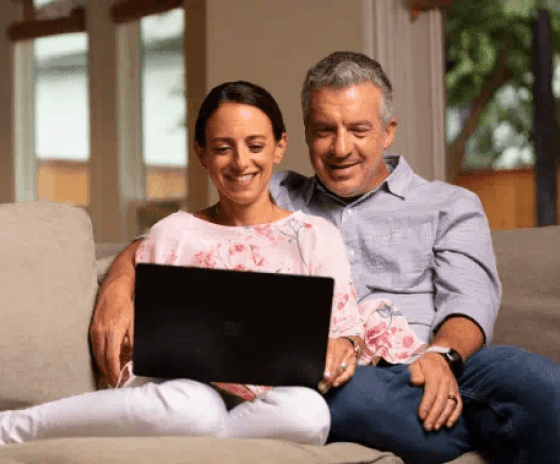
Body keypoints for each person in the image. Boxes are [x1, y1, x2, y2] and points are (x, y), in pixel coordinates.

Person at [90, 53, 560, 463]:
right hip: (340, 372)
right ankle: (471, 433)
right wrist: (117, 286)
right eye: (324, 131)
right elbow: (177, 235)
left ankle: (443, 427)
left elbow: (470, 301)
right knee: (341, 400)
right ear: (298, 138)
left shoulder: (449, 205)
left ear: (388, 131)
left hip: (434, 358)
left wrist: (442, 356)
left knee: (538, 380)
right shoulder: (273, 190)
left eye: (358, 130)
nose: (340, 148)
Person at [0, 80, 424, 447]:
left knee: (310, 413)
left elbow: (343, 333)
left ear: (279, 146)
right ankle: (14, 427)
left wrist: (342, 348)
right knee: (194, 406)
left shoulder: (317, 237)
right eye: (223, 148)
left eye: (256, 146)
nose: (241, 163)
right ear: (202, 153)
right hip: (182, 391)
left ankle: (209, 437)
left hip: (274, 401)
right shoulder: (175, 232)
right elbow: (141, 339)